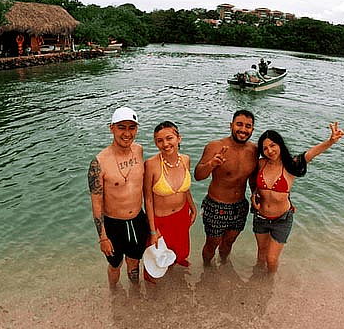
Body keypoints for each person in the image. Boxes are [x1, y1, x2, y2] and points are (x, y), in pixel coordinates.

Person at [251, 124, 344, 274]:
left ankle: (269, 283)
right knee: (261, 254)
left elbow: (311, 154)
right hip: (261, 217)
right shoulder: (261, 163)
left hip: (281, 219)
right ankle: (256, 280)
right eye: (265, 148)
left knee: (271, 259)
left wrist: (330, 141)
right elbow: (253, 182)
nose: (270, 150)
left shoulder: (291, 164)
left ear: (280, 144)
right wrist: (253, 194)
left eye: (273, 145)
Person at [88, 107, 149, 289]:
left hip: (138, 219)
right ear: (111, 128)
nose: (127, 133)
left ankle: (135, 293)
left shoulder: (139, 150)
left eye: (132, 128)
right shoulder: (99, 163)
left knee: (134, 262)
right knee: (115, 265)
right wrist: (103, 238)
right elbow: (96, 203)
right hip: (114, 224)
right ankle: (114, 294)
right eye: (122, 127)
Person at [195, 110, 258, 265]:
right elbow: (198, 175)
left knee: (228, 243)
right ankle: (207, 269)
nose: (243, 129)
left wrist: (256, 196)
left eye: (248, 126)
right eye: (239, 124)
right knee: (212, 244)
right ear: (231, 125)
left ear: (252, 129)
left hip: (240, 206)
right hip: (217, 205)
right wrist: (212, 164)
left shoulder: (254, 150)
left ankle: (224, 266)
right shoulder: (215, 146)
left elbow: (252, 179)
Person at [144, 121, 197, 272]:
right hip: (161, 220)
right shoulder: (151, 165)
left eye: (169, 138)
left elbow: (185, 189)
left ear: (179, 138)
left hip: (181, 215)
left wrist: (193, 208)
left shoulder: (185, 159)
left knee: (180, 251)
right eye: (159, 140)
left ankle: (176, 266)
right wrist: (153, 230)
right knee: (157, 259)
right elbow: (147, 199)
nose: (165, 144)